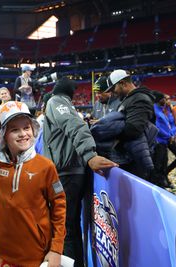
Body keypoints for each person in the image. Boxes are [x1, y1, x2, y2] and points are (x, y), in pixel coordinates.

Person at [0, 101, 66, 266]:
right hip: (4, 251)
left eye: (26, 128)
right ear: (4, 134)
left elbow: (59, 208)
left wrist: (56, 248)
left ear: (33, 130)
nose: (22, 134)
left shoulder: (46, 167)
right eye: (14, 130)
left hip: (36, 254)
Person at [43, 77, 117, 266]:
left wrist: (89, 155)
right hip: (70, 172)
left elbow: (75, 126)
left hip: (67, 174)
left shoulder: (55, 101)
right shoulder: (66, 104)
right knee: (71, 227)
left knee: (64, 229)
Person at [105, 69, 156, 178]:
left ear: (122, 83)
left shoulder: (139, 98)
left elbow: (133, 129)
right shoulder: (129, 99)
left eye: (113, 88)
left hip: (138, 157)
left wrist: (109, 131)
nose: (113, 93)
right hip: (131, 155)